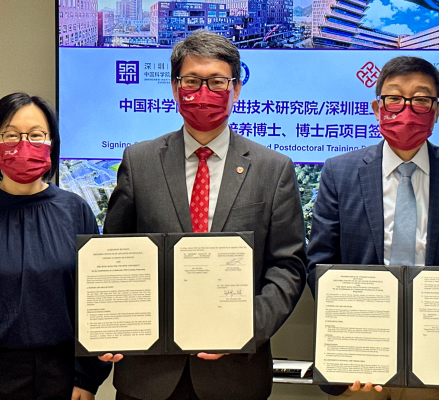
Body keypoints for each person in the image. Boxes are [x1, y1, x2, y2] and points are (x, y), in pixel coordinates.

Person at [99, 30, 307, 400]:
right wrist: (112, 327)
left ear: (236, 89)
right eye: (192, 81)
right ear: (175, 88)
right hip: (149, 374)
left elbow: (287, 267)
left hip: (235, 376)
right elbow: (115, 257)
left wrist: (244, 329)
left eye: (217, 82)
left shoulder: (273, 169)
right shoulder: (139, 161)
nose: (204, 92)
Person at [306, 56, 439, 400]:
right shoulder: (339, 171)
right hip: (359, 360)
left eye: (421, 99)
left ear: (437, 110)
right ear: (378, 107)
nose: (406, 109)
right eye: (394, 98)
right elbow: (320, 262)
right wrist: (350, 332)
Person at [0, 93, 111, 400]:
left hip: (66, 382)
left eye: (36, 135)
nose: (24, 143)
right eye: (11, 135)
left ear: (52, 142)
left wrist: (88, 378)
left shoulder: (76, 212)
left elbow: (96, 301)